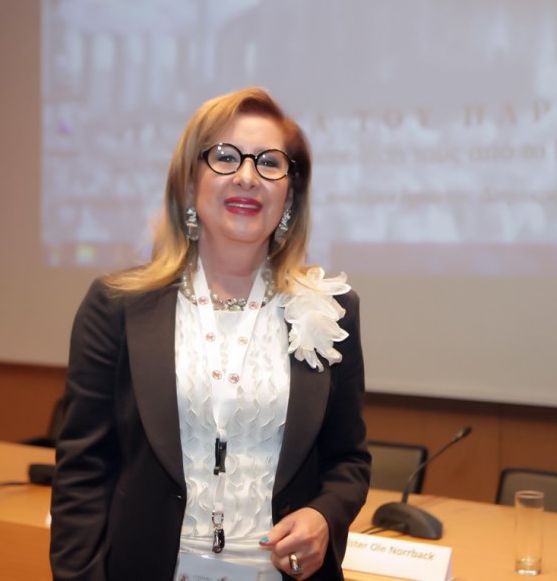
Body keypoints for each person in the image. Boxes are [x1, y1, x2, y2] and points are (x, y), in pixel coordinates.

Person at [50, 87, 371, 580]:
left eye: (269, 163)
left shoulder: (330, 311)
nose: (247, 176)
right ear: (188, 183)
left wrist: (324, 516)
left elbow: (347, 460)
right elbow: (82, 473)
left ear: (289, 194)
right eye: (225, 157)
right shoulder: (117, 305)